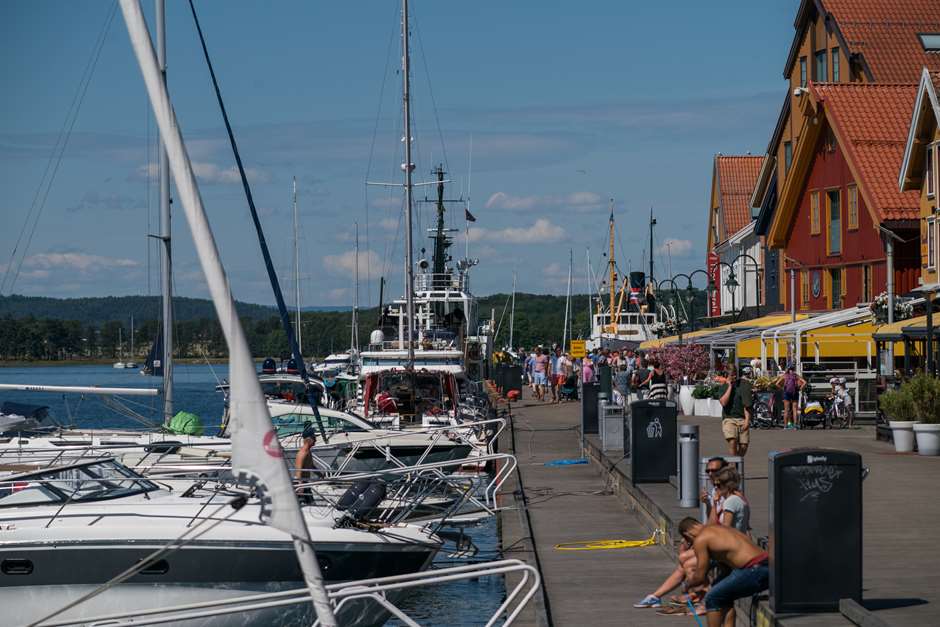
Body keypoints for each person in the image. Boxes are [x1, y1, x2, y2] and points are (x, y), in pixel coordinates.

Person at [679, 518, 769, 627]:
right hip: (768, 567)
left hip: (753, 569)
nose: (692, 545)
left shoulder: (701, 539)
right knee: (723, 594)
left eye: (689, 541)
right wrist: (715, 585)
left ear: (688, 534)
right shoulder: (720, 529)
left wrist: (686, 585)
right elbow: (726, 572)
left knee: (712, 597)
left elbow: (700, 577)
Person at [717, 366, 752, 457]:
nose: (734, 377)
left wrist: (747, 421)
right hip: (729, 419)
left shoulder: (743, 385)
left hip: (742, 418)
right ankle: (734, 465)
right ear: (726, 375)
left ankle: (737, 463)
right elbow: (724, 403)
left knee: (744, 445)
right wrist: (730, 387)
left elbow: (747, 405)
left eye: (735, 374)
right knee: (732, 441)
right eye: (731, 375)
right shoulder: (723, 387)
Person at [712, 466, 749, 534]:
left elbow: (726, 530)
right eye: (714, 484)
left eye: (718, 485)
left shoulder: (730, 501)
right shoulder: (739, 498)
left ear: (728, 486)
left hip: (732, 543)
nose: (715, 487)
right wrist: (715, 503)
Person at [294, 424, 318, 502]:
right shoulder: (302, 453)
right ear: (309, 439)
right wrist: (300, 486)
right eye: (314, 438)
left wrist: (320, 474)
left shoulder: (308, 452)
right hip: (301, 484)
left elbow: (310, 465)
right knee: (307, 506)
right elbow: (298, 470)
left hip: (305, 483)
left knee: (311, 504)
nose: (316, 440)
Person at [701, 456, 729, 522]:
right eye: (707, 471)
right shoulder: (715, 490)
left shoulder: (730, 492)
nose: (710, 474)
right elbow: (711, 518)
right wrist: (707, 503)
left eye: (714, 470)